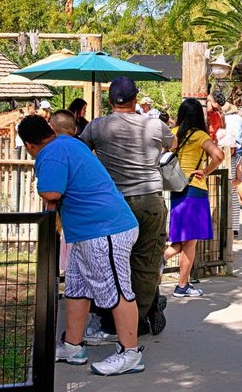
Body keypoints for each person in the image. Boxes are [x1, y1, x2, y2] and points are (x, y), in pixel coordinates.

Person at [17, 115, 143, 376]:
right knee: (77, 286)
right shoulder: (68, 142)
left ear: (29, 145)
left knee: (117, 290)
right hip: (89, 232)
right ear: (49, 129)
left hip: (105, 230)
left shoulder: (50, 153)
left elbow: (51, 192)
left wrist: (41, 187)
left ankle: (130, 353)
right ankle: (72, 346)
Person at [80, 77, 176, 337]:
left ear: (110, 101)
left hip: (112, 203)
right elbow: (172, 145)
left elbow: (81, 153)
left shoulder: (96, 127)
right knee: (146, 262)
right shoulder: (155, 124)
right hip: (149, 200)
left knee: (110, 262)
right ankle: (140, 317)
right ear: (136, 100)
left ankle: (111, 317)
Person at [164, 98, 224, 297]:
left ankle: (180, 280)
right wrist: (206, 171)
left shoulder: (174, 133)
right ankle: (179, 282)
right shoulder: (200, 135)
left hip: (176, 188)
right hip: (195, 190)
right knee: (190, 242)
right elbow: (219, 155)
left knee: (183, 239)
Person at [223, 102, 242, 211]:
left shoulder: (222, 118)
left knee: (227, 175)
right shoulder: (237, 118)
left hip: (224, 148)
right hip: (236, 147)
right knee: (240, 177)